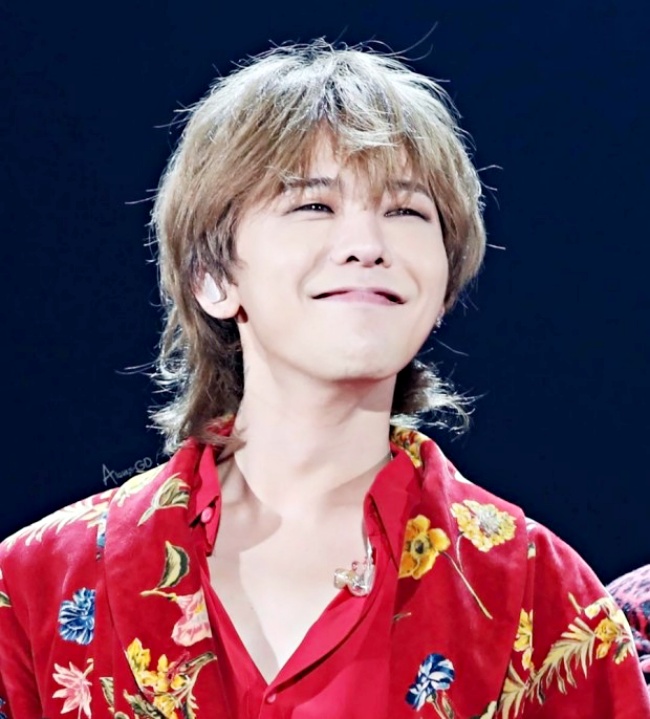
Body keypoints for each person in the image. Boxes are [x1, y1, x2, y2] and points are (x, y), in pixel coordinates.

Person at [0, 39, 647, 719]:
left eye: (406, 212)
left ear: (444, 285)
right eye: (313, 206)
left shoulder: (543, 595)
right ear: (212, 277)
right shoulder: (35, 585)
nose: (368, 245)